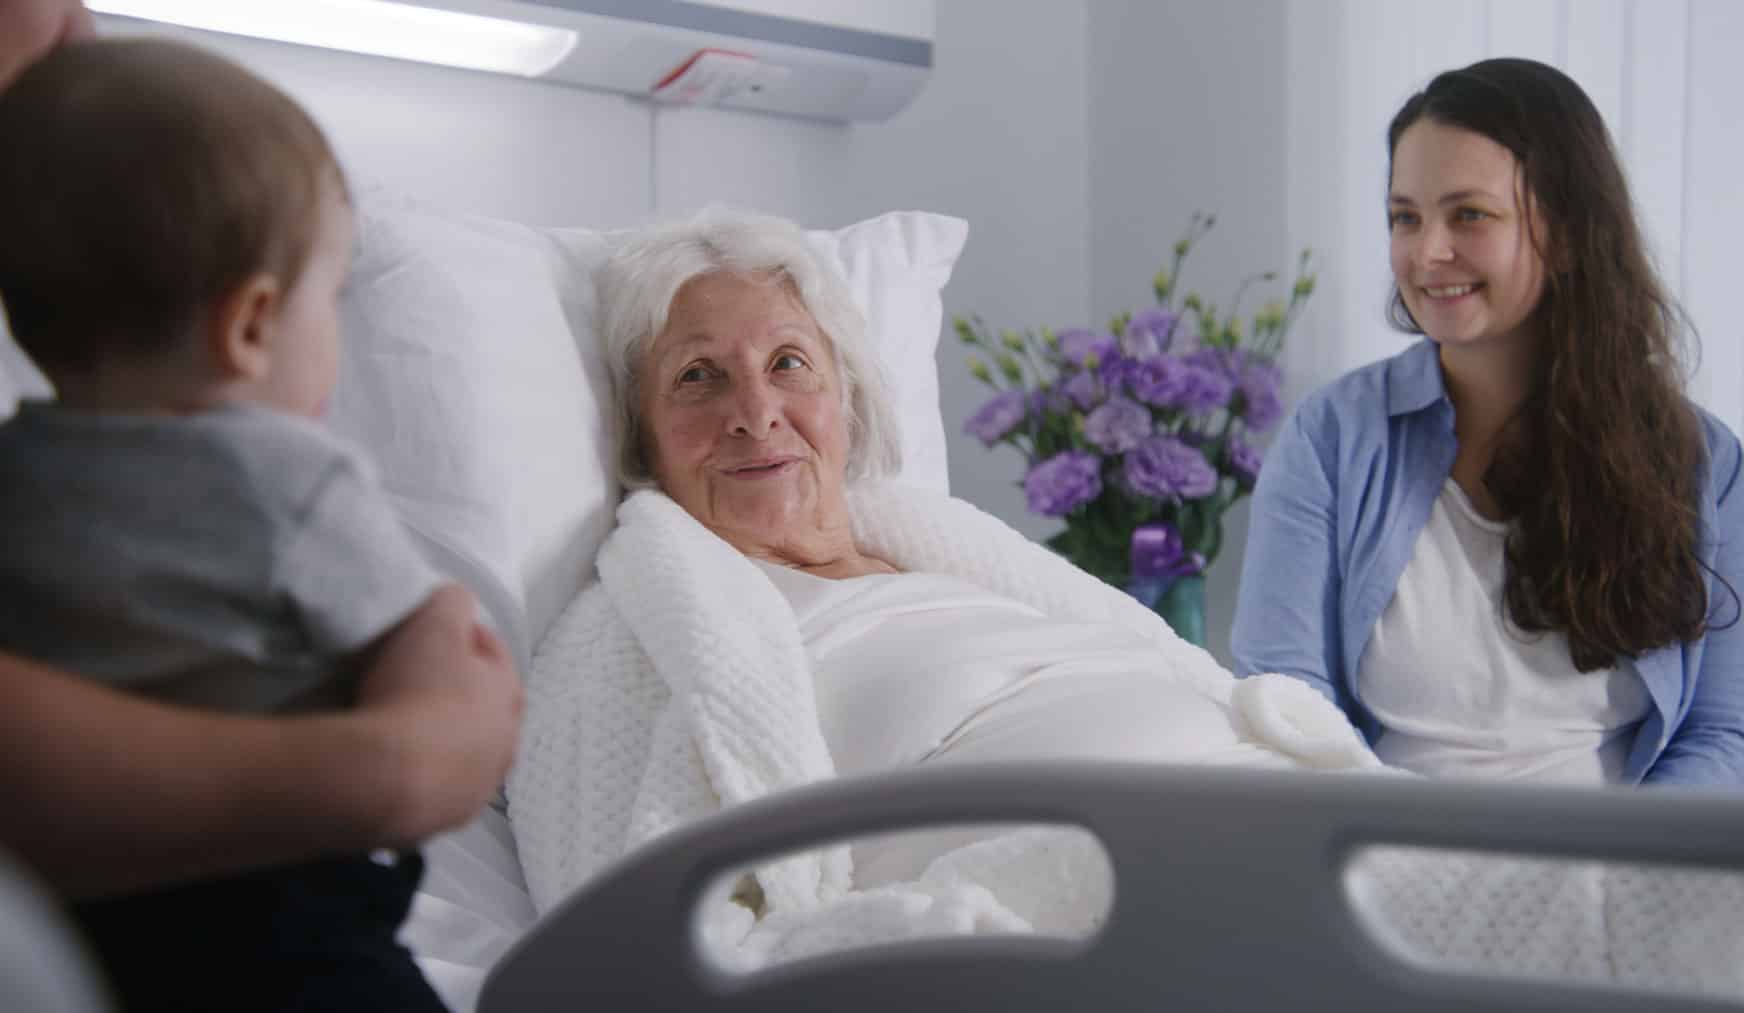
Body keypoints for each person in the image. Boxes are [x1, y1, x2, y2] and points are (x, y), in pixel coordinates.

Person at [503, 204, 1383, 922]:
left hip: (1288, 815)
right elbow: (615, 928)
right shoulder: (636, 631)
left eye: (787, 362)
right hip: (1098, 900)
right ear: (642, 436)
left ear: (844, 398)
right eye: (699, 377)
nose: (756, 410)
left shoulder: (957, 564)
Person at [0, 38, 518, 1012]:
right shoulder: (290, 480)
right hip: (278, 915)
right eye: (331, 299)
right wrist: (456, 655)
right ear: (251, 324)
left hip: (73, 921)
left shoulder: (12, 477)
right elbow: (418, 638)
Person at [1231, 57, 1744, 790]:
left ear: (1571, 233)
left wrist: (1631, 869)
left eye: (1469, 215)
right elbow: (1287, 706)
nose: (1427, 253)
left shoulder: (1702, 461)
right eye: (1405, 217)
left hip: (1627, 867)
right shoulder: (1329, 439)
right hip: (1380, 861)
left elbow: (1722, 734)